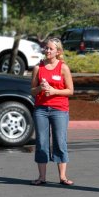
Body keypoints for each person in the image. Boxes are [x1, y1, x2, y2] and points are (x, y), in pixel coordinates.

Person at [30, 37, 74, 186]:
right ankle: (42, 177)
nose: (47, 51)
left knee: (60, 142)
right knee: (41, 142)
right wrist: (40, 89)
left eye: (51, 48)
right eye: (46, 48)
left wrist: (54, 90)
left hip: (59, 110)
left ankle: (62, 177)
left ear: (58, 51)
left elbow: (70, 91)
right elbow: (32, 91)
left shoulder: (63, 68)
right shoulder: (38, 68)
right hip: (41, 110)